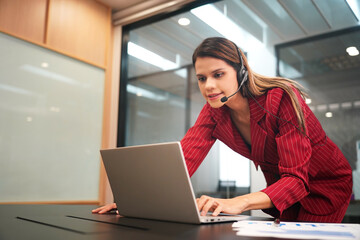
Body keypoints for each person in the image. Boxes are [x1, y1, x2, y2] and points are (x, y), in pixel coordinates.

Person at [93, 37, 353, 223]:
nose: (208, 86)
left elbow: (297, 179)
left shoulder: (281, 99)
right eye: (202, 78)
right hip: (281, 187)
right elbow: (183, 161)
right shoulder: (214, 111)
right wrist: (139, 199)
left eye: (218, 74)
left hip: (323, 184)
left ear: (240, 71)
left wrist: (238, 201)